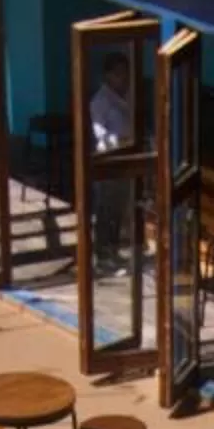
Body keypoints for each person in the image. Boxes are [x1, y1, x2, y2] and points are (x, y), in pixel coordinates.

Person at [86, 57, 136, 272]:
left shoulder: (124, 97)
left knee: (117, 209)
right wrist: (122, 141)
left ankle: (113, 252)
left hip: (125, 160)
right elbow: (101, 135)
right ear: (107, 76)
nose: (123, 78)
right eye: (118, 73)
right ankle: (103, 256)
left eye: (125, 73)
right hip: (108, 160)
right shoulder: (100, 101)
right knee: (105, 210)